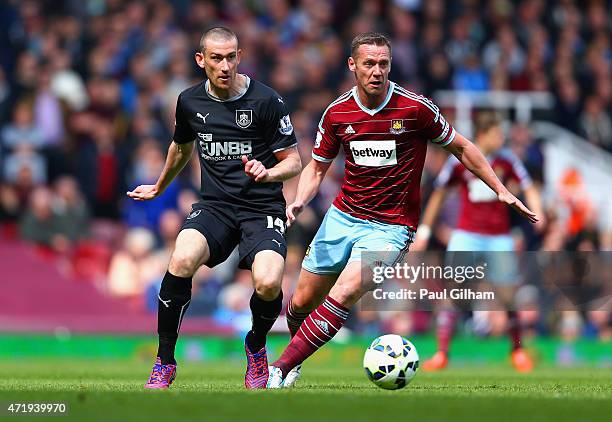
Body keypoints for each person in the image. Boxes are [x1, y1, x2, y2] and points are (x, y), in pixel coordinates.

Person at [266, 32, 537, 388]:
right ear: (353, 66)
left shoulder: (416, 109)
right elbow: (316, 168)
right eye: (369, 64)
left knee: (345, 292)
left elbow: (462, 147)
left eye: (383, 64)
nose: (377, 71)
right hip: (343, 216)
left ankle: (280, 369)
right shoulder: (337, 113)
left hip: (392, 228)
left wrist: (499, 189)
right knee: (300, 303)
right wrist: (300, 199)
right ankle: (295, 358)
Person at [127, 27, 302, 389]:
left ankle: (255, 346)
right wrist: (160, 186)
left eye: (231, 57)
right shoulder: (189, 102)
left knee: (269, 282)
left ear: (240, 57)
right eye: (217, 58)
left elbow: (294, 162)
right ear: (201, 60)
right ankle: (165, 360)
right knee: (180, 259)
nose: (225, 65)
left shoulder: (266, 101)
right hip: (217, 206)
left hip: (261, 207)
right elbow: (181, 147)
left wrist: (268, 171)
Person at [411, 111, 544, 372]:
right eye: (497, 133)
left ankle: (517, 351)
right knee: (454, 293)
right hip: (467, 235)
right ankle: (441, 353)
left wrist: (537, 211)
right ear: (483, 134)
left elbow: (528, 186)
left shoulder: (507, 161)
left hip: (499, 239)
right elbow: (438, 194)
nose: (501, 138)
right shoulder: (460, 159)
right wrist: (425, 231)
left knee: (508, 297)